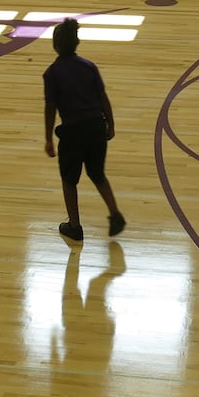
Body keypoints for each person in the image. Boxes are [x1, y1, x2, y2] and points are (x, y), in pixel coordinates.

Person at [42, 18, 125, 242]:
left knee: (69, 179)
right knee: (97, 173)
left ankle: (74, 226)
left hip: (73, 132)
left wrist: (49, 138)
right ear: (77, 42)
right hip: (96, 127)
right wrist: (111, 123)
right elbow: (103, 97)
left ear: (55, 45)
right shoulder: (89, 67)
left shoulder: (52, 74)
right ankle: (115, 214)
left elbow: (50, 107)